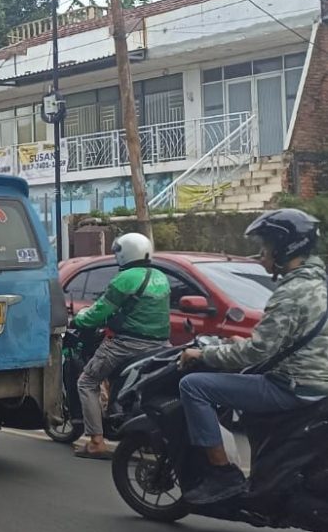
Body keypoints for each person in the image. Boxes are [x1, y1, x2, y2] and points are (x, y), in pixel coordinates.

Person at [178, 209, 328, 507]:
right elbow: (286, 341)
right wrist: (245, 342)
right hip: (315, 383)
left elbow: (256, 352)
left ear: (285, 247)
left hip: (293, 387)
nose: (262, 255)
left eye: (266, 247)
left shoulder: (291, 292)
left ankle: (221, 474)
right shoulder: (318, 283)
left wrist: (203, 352)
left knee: (194, 386)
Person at [72, 232, 171, 460]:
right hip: (161, 345)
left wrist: (79, 320)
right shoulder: (160, 276)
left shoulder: (125, 279)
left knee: (87, 382)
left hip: (127, 344)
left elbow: (99, 312)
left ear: (125, 253)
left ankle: (96, 442)